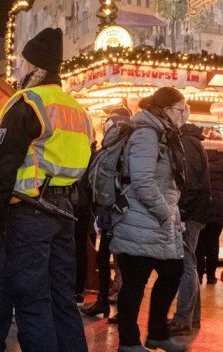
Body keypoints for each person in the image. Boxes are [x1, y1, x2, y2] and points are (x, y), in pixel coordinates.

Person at [0, 27, 92, 352]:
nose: (18, 69)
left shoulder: (27, 103)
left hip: (28, 213)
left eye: (22, 63)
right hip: (64, 213)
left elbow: (2, 168)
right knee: (61, 297)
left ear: (33, 67)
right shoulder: (77, 110)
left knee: (32, 299)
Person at [109, 86, 187, 352]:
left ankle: (157, 333)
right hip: (140, 220)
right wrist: (166, 213)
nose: (183, 115)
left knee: (173, 271)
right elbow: (142, 181)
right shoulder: (146, 133)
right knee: (135, 283)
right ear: (165, 109)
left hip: (157, 221)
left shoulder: (162, 133)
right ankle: (129, 342)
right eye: (179, 109)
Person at [82, 106, 132, 320]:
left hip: (112, 207)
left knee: (111, 256)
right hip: (116, 207)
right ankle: (109, 302)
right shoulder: (122, 143)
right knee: (112, 257)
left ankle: (112, 303)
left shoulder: (115, 144)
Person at [168, 106, 210, 336]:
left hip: (189, 212)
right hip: (194, 211)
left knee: (186, 264)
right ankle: (191, 317)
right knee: (189, 263)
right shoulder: (190, 140)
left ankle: (184, 317)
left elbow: (191, 183)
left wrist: (180, 210)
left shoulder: (186, 142)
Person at [196, 133, 223, 285]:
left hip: (200, 201)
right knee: (213, 240)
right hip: (219, 202)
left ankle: (199, 275)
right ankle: (212, 277)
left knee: (199, 241)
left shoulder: (198, 156)